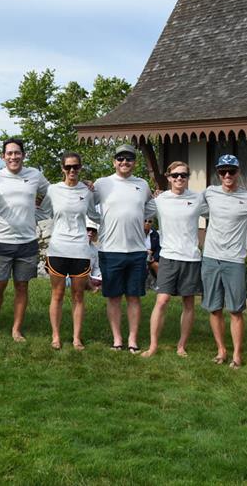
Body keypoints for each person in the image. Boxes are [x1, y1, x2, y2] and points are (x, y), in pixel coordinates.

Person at [0, 138, 50, 342]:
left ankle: (16, 329)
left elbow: (53, 193)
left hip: (27, 242)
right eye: (9, 153)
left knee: (22, 286)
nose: (13, 157)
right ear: (3, 157)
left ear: (23, 155)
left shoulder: (35, 175)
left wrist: (39, 215)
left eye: (17, 153)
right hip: (2, 240)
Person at [93, 144, 155, 352]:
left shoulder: (142, 185)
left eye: (129, 159)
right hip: (110, 249)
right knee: (113, 296)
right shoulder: (102, 184)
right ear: (114, 162)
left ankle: (133, 339)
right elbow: (86, 203)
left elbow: (150, 207)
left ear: (134, 163)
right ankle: (117, 339)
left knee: (134, 296)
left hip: (137, 250)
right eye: (120, 159)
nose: (124, 162)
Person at [141, 161, 207, 358]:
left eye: (183, 175)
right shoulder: (160, 200)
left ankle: (181, 346)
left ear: (188, 178)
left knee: (188, 303)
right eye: (175, 175)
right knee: (162, 301)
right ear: (169, 177)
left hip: (191, 258)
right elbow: (138, 209)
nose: (179, 178)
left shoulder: (197, 199)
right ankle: (153, 346)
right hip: (168, 257)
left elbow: (220, 212)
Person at [201, 154, 247, 368]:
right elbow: (185, 201)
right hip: (211, 258)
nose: (227, 175)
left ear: (238, 172)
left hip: (234, 260)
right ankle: (221, 351)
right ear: (218, 173)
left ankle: (237, 355)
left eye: (231, 171)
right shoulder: (210, 193)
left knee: (235, 310)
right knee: (214, 308)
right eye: (222, 171)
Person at [40, 152, 100, 350]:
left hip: (80, 250)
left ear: (81, 168)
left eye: (76, 167)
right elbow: (42, 212)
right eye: (68, 167)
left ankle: (76, 338)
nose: (72, 170)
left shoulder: (88, 191)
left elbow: (94, 214)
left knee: (78, 295)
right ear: (62, 169)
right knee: (57, 294)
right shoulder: (53, 190)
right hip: (58, 248)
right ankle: (55, 336)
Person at [86, 220, 102, 293]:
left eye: (93, 230)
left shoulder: (95, 250)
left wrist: (99, 276)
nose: (90, 232)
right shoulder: (74, 245)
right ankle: (93, 288)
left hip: (90, 278)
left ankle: (94, 287)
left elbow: (96, 268)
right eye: (88, 229)